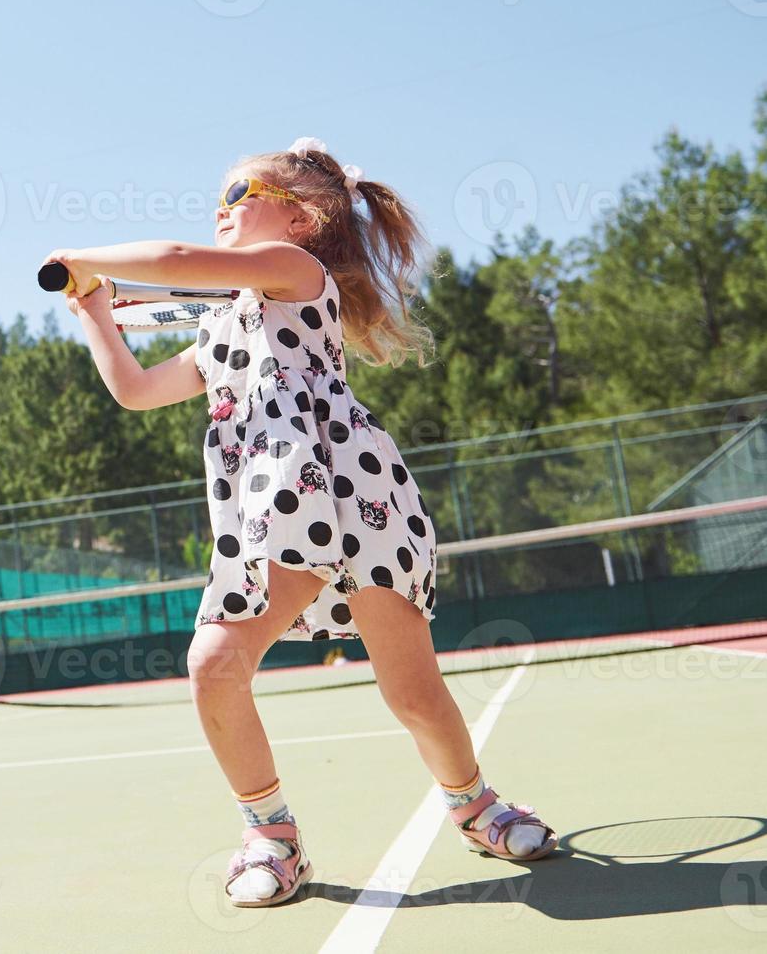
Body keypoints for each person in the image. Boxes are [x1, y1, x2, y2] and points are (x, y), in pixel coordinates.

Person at [47, 137, 556, 909]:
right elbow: (138, 391)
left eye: (238, 192)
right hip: (274, 509)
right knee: (215, 665)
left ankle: (474, 804)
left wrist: (82, 254)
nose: (221, 210)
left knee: (413, 694)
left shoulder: (296, 271)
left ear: (300, 214)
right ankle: (271, 837)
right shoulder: (221, 326)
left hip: (358, 496)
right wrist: (94, 312)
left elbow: (178, 258)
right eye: (217, 197)